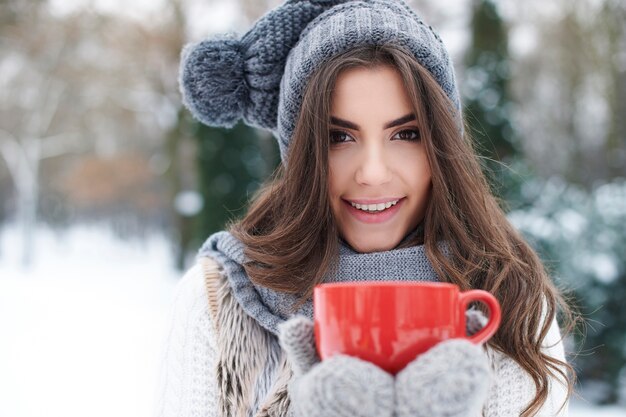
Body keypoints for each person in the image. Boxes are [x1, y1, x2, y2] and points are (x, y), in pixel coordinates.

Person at [154, 1, 575, 416]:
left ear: (441, 147)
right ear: (300, 153)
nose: (372, 173)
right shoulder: (217, 301)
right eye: (338, 137)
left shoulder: (512, 298)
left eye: (406, 134)